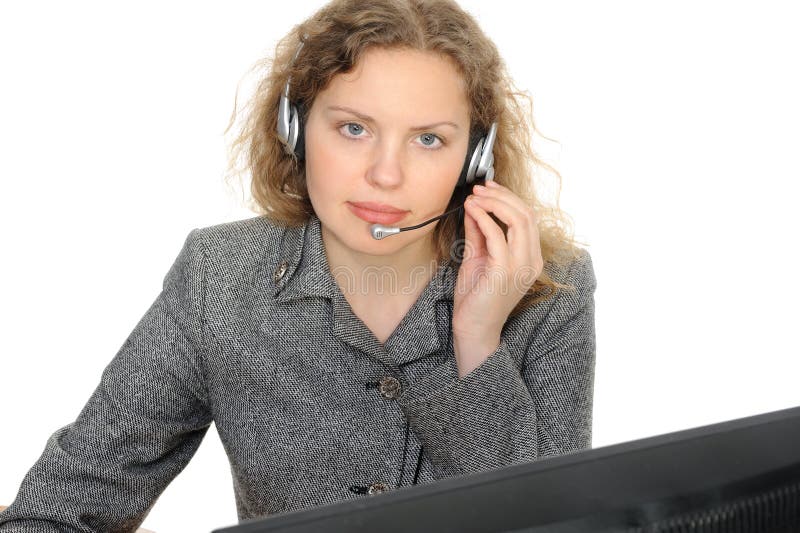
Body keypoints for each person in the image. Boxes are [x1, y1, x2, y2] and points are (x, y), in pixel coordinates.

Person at [0, 0, 596, 529]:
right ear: (296, 128)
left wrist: (476, 340)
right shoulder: (219, 274)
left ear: (476, 156)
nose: (386, 174)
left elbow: (556, 519)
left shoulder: (550, 287)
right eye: (354, 129)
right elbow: (65, 506)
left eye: (428, 139)